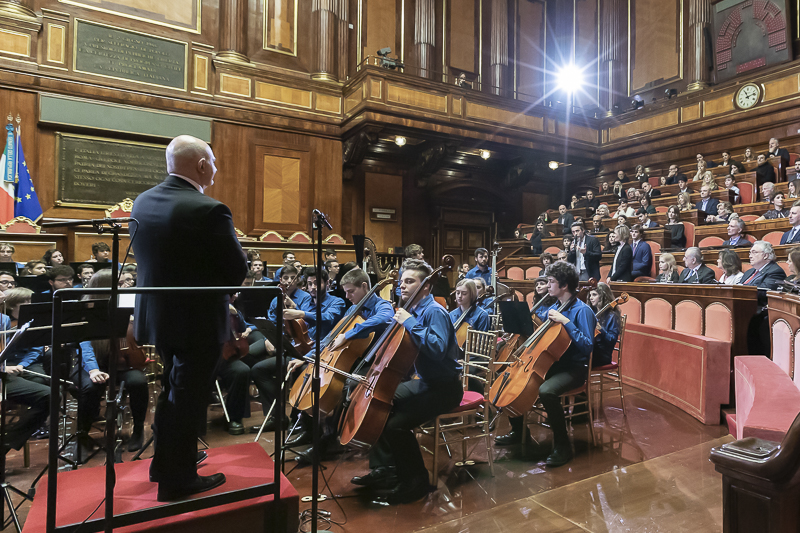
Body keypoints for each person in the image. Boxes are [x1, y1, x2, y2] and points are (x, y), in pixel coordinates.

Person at [130, 135, 248, 501]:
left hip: (157, 318)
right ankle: (178, 480)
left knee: (170, 388)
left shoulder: (143, 202)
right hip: (196, 321)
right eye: (212, 161)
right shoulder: (208, 209)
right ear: (201, 165)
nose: (214, 168)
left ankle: (163, 462)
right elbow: (237, 269)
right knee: (189, 396)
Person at [351, 259, 462, 504]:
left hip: (445, 388)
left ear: (426, 286)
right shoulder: (413, 309)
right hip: (426, 382)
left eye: (410, 281)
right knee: (380, 402)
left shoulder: (434, 311)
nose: (402, 285)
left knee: (395, 425)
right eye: (402, 281)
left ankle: (416, 482)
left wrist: (408, 322)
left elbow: (437, 349)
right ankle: (386, 468)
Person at [496, 262, 596, 468]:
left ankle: (563, 445)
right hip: (553, 363)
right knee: (514, 383)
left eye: (551, 282)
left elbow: (587, 346)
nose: (547, 286)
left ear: (564, 286)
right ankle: (518, 431)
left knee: (547, 391)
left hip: (573, 368)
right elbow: (538, 332)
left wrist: (566, 322)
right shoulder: (553, 306)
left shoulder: (582, 311)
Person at [72, 270, 149, 457]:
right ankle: (81, 435)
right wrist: (93, 369)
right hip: (91, 363)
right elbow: (84, 345)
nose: (125, 287)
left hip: (122, 361)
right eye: (120, 284)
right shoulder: (85, 309)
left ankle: (138, 430)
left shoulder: (127, 302)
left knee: (138, 381)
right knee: (90, 387)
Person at [0, 288, 51, 454]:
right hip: (4, 370)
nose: (2, 295)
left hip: (6, 373)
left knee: (50, 394)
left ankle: (5, 444)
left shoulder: (3, 319)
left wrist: (8, 366)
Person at [589, 283, 622, 367]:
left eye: (594, 295)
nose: (590, 298)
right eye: (590, 295)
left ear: (603, 296)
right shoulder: (593, 312)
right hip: (592, 350)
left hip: (602, 355)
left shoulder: (612, 315)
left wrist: (600, 329)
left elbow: (612, 339)